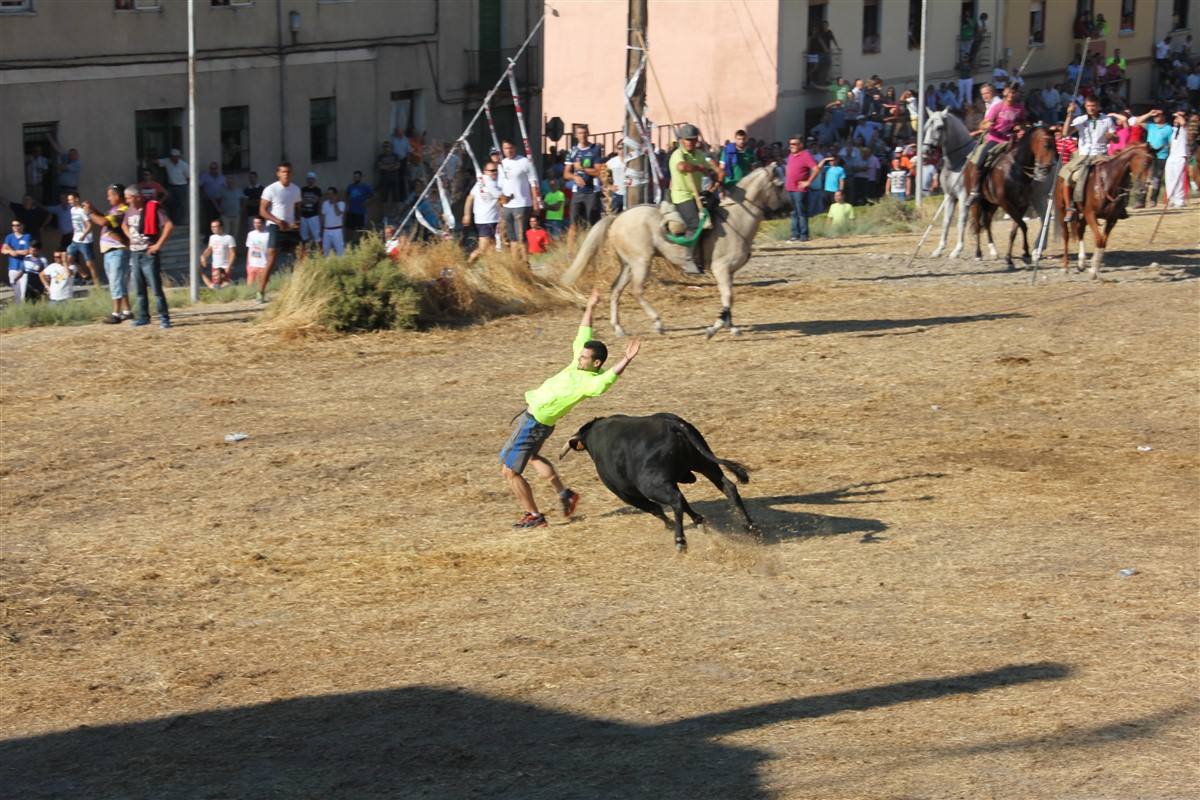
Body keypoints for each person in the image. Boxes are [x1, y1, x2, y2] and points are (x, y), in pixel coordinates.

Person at [499, 288, 641, 529]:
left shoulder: (590, 381)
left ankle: (534, 516)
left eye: (585, 358)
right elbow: (584, 332)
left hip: (534, 423)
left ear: (596, 363)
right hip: (536, 422)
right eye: (581, 354)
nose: (579, 358)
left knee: (509, 472)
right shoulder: (580, 363)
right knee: (532, 457)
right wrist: (591, 306)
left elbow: (605, 381)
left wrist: (626, 360)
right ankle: (565, 494)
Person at [1060, 98, 1126, 222]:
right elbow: (1065, 133)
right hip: (1083, 155)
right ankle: (1070, 208)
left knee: (1119, 173)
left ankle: (1120, 205)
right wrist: (1069, 114)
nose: (1091, 108)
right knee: (1067, 176)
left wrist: (1112, 136)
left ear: (1099, 106)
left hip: (1101, 154)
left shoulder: (1107, 120)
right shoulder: (1080, 120)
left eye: (1094, 105)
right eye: (1089, 105)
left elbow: (1116, 139)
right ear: (1085, 106)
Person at [121, 186, 174, 328]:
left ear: (137, 197)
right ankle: (143, 316)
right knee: (139, 288)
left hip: (148, 253)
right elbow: (124, 225)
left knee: (156, 288)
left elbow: (168, 225)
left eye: (128, 198)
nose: (126, 201)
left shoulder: (152, 208)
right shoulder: (129, 211)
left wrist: (158, 245)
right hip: (135, 252)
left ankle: (164, 317)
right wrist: (129, 237)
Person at [966, 85, 1026, 206]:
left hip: (1010, 140)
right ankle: (975, 190)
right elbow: (983, 124)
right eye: (1009, 92)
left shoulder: (1019, 108)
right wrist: (986, 125)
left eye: (1014, 93)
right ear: (1004, 92)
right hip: (995, 139)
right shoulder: (997, 107)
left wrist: (1019, 127)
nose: (1011, 95)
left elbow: (1022, 122)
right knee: (980, 161)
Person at [87, 184, 132, 324]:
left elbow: (103, 221)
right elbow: (105, 218)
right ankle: (127, 311)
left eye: (110, 195)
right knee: (119, 282)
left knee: (115, 282)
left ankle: (116, 314)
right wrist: (94, 209)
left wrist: (89, 213)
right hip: (110, 251)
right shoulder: (115, 210)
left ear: (117, 196)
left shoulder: (122, 210)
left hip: (117, 251)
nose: (108, 198)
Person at [257, 161, 301, 302]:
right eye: (283, 172)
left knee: (302, 255)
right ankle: (261, 292)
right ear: (278, 173)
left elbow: (298, 209)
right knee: (271, 258)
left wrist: (298, 221)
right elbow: (262, 211)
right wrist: (277, 221)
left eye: (288, 172)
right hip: (275, 226)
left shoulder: (296, 189)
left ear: (291, 173)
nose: (286, 174)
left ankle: (300, 288)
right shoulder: (271, 189)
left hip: (290, 227)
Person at [498, 139, 541, 260]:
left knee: (521, 236)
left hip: (522, 204)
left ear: (515, 148)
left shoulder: (524, 162)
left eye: (510, 148)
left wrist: (535, 201)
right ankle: (515, 264)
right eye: (506, 148)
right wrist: (501, 199)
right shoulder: (502, 164)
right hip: (507, 206)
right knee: (512, 238)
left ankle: (525, 262)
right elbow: (501, 184)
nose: (508, 151)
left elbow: (533, 182)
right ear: (503, 149)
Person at [564, 124, 603, 247]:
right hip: (577, 192)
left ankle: (595, 249)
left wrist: (583, 169)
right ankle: (570, 254)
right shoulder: (573, 151)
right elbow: (566, 173)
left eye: (585, 132)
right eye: (580, 133)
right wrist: (575, 176)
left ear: (588, 133)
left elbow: (598, 171)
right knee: (573, 224)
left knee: (592, 223)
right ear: (576, 135)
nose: (582, 135)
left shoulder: (595, 149)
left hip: (592, 191)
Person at [463, 160, 502, 264]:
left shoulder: (487, 183)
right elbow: (470, 198)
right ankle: (467, 265)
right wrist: (467, 214)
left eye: (496, 170)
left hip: (493, 219)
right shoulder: (485, 183)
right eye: (492, 171)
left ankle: (491, 272)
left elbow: (470, 197)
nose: (494, 172)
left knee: (492, 249)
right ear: (485, 171)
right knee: (483, 248)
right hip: (485, 219)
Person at [784, 136, 819, 242]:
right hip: (790, 188)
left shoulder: (805, 155)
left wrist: (808, 182)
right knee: (793, 213)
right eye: (790, 144)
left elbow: (816, 168)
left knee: (801, 213)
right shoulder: (791, 155)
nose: (791, 146)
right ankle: (795, 234)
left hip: (799, 190)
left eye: (794, 144)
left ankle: (804, 235)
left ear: (800, 145)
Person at [65, 191, 99, 285]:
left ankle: (97, 283)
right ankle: (84, 275)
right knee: (69, 259)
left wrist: (83, 235)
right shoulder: (72, 210)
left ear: (76, 199)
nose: (69, 201)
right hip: (75, 240)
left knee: (89, 263)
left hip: (85, 240)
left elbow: (89, 225)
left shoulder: (82, 211)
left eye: (71, 199)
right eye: (68, 200)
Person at [199, 218, 236, 289]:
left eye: (215, 226)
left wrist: (229, 265)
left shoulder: (229, 238)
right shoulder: (212, 237)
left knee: (225, 285)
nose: (213, 229)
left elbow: (232, 253)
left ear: (221, 227)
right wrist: (203, 256)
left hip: (225, 266)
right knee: (215, 286)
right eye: (212, 227)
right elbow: (210, 249)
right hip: (215, 265)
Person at [1163, 110, 1189, 208]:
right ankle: (1171, 199)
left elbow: (1183, 123)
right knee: (1169, 178)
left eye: (1178, 118)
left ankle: (1179, 200)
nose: (1176, 119)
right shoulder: (1173, 130)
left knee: (1179, 179)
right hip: (1171, 156)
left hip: (1180, 156)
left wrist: (1179, 115)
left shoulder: (1185, 129)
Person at [156, 148, 189, 222]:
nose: (174, 158)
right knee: (170, 203)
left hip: (181, 186)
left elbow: (188, 177)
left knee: (180, 204)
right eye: (172, 157)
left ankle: (179, 221)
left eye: (176, 156)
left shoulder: (184, 165)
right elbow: (157, 162)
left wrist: (185, 185)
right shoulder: (167, 161)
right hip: (171, 186)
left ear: (178, 157)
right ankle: (171, 219)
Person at [3, 219, 32, 303]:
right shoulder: (9, 237)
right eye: (13, 225)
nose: (15, 227)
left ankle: (23, 308)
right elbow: (3, 249)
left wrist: (14, 251)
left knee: (23, 292)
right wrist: (10, 251)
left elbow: (27, 251)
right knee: (16, 291)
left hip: (23, 268)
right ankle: (17, 308)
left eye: (17, 225)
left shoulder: (27, 236)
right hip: (12, 267)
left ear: (22, 226)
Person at [376, 141, 403, 220]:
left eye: (387, 146)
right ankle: (384, 216)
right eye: (384, 146)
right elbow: (380, 166)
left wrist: (387, 167)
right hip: (384, 180)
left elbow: (397, 166)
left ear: (391, 148)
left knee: (396, 198)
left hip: (394, 179)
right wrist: (391, 166)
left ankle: (397, 216)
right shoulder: (380, 157)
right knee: (384, 199)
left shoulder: (395, 156)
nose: (386, 148)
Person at [298, 172, 323, 254]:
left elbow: (315, 201)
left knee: (317, 237)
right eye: (308, 179)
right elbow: (301, 201)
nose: (310, 180)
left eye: (311, 179)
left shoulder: (317, 190)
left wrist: (306, 200)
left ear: (314, 180)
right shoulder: (303, 189)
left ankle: (321, 253)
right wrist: (309, 200)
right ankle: (304, 254)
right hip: (303, 216)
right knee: (304, 237)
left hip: (313, 216)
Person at [345, 170, 373, 239]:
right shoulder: (350, 187)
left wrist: (367, 202)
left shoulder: (365, 186)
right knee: (350, 229)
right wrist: (347, 205)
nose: (356, 178)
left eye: (357, 177)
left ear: (360, 178)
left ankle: (362, 244)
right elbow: (346, 196)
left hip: (361, 212)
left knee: (362, 229)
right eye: (354, 177)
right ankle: (350, 244)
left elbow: (373, 196)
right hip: (351, 211)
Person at [245, 216, 270, 289]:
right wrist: (247, 264)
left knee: (261, 286)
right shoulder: (251, 234)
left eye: (259, 223)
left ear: (263, 223)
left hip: (263, 264)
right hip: (252, 264)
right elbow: (249, 249)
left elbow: (270, 251)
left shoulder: (268, 235)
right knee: (249, 287)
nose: (256, 225)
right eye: (255, 223)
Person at [320, 186, 346, 256]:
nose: (330, 196)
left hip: (337, 231)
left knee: (340, 251)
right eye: (328, 194)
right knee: (325, 250)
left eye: (331, 194)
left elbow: (338, 213)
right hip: (326, 231)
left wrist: (335, 204)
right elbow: (323, 216)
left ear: (336, 195)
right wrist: (322, 229)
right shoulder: (325, 203)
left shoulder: (341, 204)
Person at [217, 175, 243, 241]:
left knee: (234, 235)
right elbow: (215, 199)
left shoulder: (239, 190)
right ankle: (225, 250)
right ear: (227, 183)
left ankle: (233, 250)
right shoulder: (222, 190)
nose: (231, 184)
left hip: (236, 216)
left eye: (232, 182)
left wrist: (242, 208)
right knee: (225, 234)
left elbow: (244, 198)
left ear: (235, 182)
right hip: (225, 216)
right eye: (229, 182)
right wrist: (218, 208)